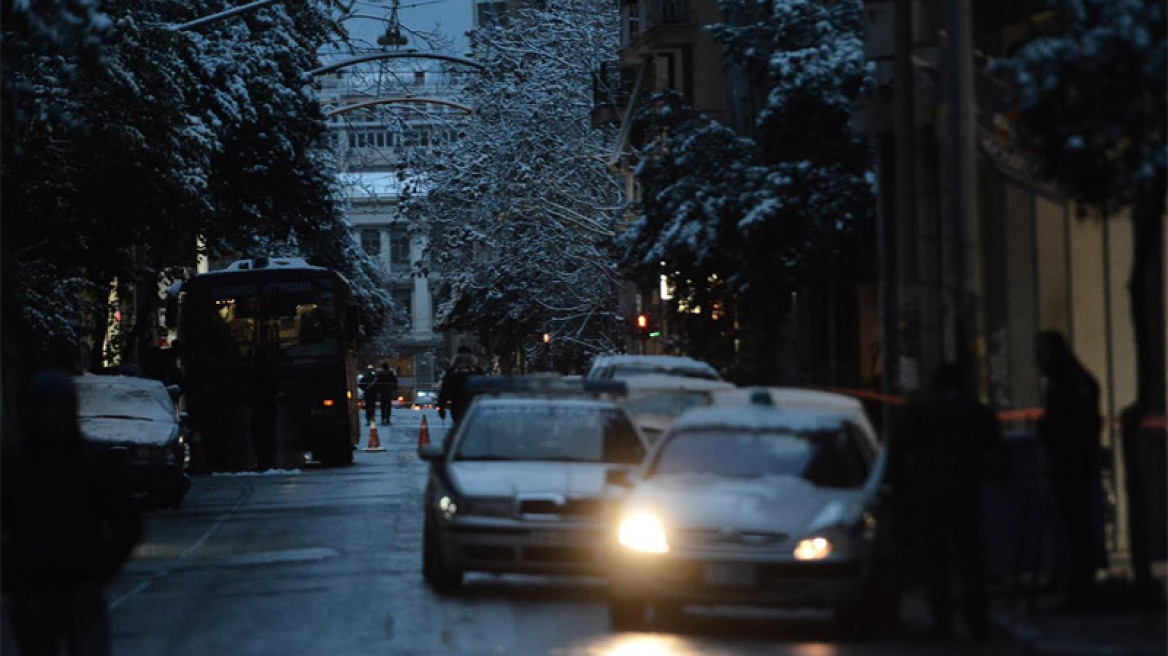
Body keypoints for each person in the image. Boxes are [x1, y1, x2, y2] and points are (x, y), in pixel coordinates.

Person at [2, 370, 143, 656]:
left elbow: (127, 522)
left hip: (77, 584)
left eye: (60, 407)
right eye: (46, 408)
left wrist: (101, 567)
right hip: (34, 587)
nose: (53, 417)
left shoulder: (91, 462)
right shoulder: (14, 465)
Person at [887, 363, 1002, 639]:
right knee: (969, 557)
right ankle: (977, 619)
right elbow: (993, 445)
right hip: (964, 491)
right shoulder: (973, 408)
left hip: (930, 492)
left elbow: (900, 446)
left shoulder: (922, 408)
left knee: (935, 558)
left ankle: (943, 619)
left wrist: (899, 485)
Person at [1035, 330, 1104, 608]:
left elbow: (1076, 425)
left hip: (1072, 462)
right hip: (1072, 460)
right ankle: (1077, 583)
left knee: (1077, 525)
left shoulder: (1069, 383)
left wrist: (1050, 430)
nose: (1038, 361)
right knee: (1074, 525)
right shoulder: (1070, 381)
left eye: (1042, 353)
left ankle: (1081, 587)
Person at [436, 347, 482, 426]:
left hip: (457, 405)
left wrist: (441, 406)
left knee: (459, 426)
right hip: (474, 405)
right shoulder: (477, 371)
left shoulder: (452, 372)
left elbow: (445, 390)